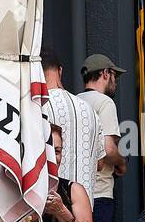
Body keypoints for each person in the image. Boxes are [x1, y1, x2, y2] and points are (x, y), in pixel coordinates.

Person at [3, 124, 95, 222]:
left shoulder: (73, 190)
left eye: (57, 151)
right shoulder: (12, 188)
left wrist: (62, 212)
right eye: (46, 152)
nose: (53, 158)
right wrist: (30, 216)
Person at [42, 47, 103, 211]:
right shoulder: (89, 110)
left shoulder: (37, 108)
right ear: (60, 71)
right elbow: (100, 164)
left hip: (49, 211)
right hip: (86, 210)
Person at [78, 53, 127, 222]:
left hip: (78, 191)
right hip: (100, 191)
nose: (115, 82)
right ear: (106, 74)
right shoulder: (105, 103)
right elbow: (108, 149)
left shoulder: (76, 101)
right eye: (114, 76)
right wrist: (121, 162)